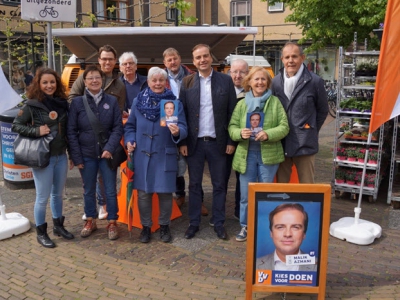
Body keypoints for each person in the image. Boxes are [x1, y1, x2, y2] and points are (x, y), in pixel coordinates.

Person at [179, 44, 237, 240]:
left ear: (211, 57)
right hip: (194, 144)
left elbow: (232, 113)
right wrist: (183, 142)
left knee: (220, 184)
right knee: (194, 185)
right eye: (198, 58)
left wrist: (230, 140)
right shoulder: (186, 83)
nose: (202, 60)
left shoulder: (225, 81)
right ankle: (194, 222)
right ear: (193, 61)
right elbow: (182, 115)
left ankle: (219, 222)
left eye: (205, 56)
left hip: (218, 142)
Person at [124, 67, 188, 243]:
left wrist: (177, 132)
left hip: (164, 154)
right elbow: (130, 127)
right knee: (144, 193)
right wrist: (130, 140)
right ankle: (146, 227)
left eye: (161, 80)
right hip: (142, 155)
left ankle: (164, 226)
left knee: (165, 193)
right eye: (154, 80)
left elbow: (183, 128)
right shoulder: (138, 101)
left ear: (165, 82)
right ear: (149, 82)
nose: (158, 83)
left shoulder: (174, 104)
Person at [12, 68, 74, 248]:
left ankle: (58, 226)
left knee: (58, 195)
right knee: (42, 197)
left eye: (52, 82)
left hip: (61, 156)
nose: (49, 85)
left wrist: (70, 154)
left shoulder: (63, 103)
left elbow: (67, 132)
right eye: (45, 82)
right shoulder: (32, 105)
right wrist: (36, 131)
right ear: (38, 84)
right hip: (42, 158)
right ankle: (41, 232)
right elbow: (17, 126)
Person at [228, 66, 289, 242]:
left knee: (266, 193)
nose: (260, 82)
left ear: (268, 82)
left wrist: (268, 134)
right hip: (246, 156)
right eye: (256, 79)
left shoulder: (275, 102)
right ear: (249, 82)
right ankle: (245, 226)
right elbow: (231, 127)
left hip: (268, 156)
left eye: (263, 79)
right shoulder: (241, 104)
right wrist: (240, 133)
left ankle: (265, 227)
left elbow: (284, 126)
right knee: (246, 194)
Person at [69, 44, 126, 220]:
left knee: (109, 186)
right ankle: (91, 218)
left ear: (114, 61)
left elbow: (118, 122)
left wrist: (110, 146)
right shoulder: (81, 89)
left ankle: (110, 217)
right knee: (88, 188)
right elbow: (71, 125)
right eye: (104, 58)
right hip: (86, 148)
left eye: (110, 59)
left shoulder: (118, 86)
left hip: (106, 146)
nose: (107, 61)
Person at [271, 42, 328, 183]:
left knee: (306, 187)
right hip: (281, 143)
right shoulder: (275, 82)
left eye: (294, 56)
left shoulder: (315, 81)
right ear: (282, 59)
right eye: (287, 57)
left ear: (302, 58)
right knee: (282, 188)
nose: (291, 60)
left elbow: (323, 110)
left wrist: (311, 129)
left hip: (305, 145)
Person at [163, 47, 196, 211]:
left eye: (174, 58)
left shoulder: (192, 76)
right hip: (169, 128)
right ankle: (180, 194)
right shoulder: (160, 78)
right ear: (165, 63)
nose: (172, 62)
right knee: (175, 165)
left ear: (180, 59)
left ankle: (199, 200)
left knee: (194, 166)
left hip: (191, 125)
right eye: (169, 60)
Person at [256, 203, 317, 271]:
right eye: (280, 227)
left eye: (295, 227)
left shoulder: (317, 266)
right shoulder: (256, 265)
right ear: (271, 233)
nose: (288, 234)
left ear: (304, 234)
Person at [227, 59, 249, 220]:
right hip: (224, 142)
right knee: (221, 178)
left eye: (242, 72)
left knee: (242, 178)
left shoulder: (253, 93)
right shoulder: (223, 90)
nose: (238, 75)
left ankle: (239, 211)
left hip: (244, 143)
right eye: (234, 71)